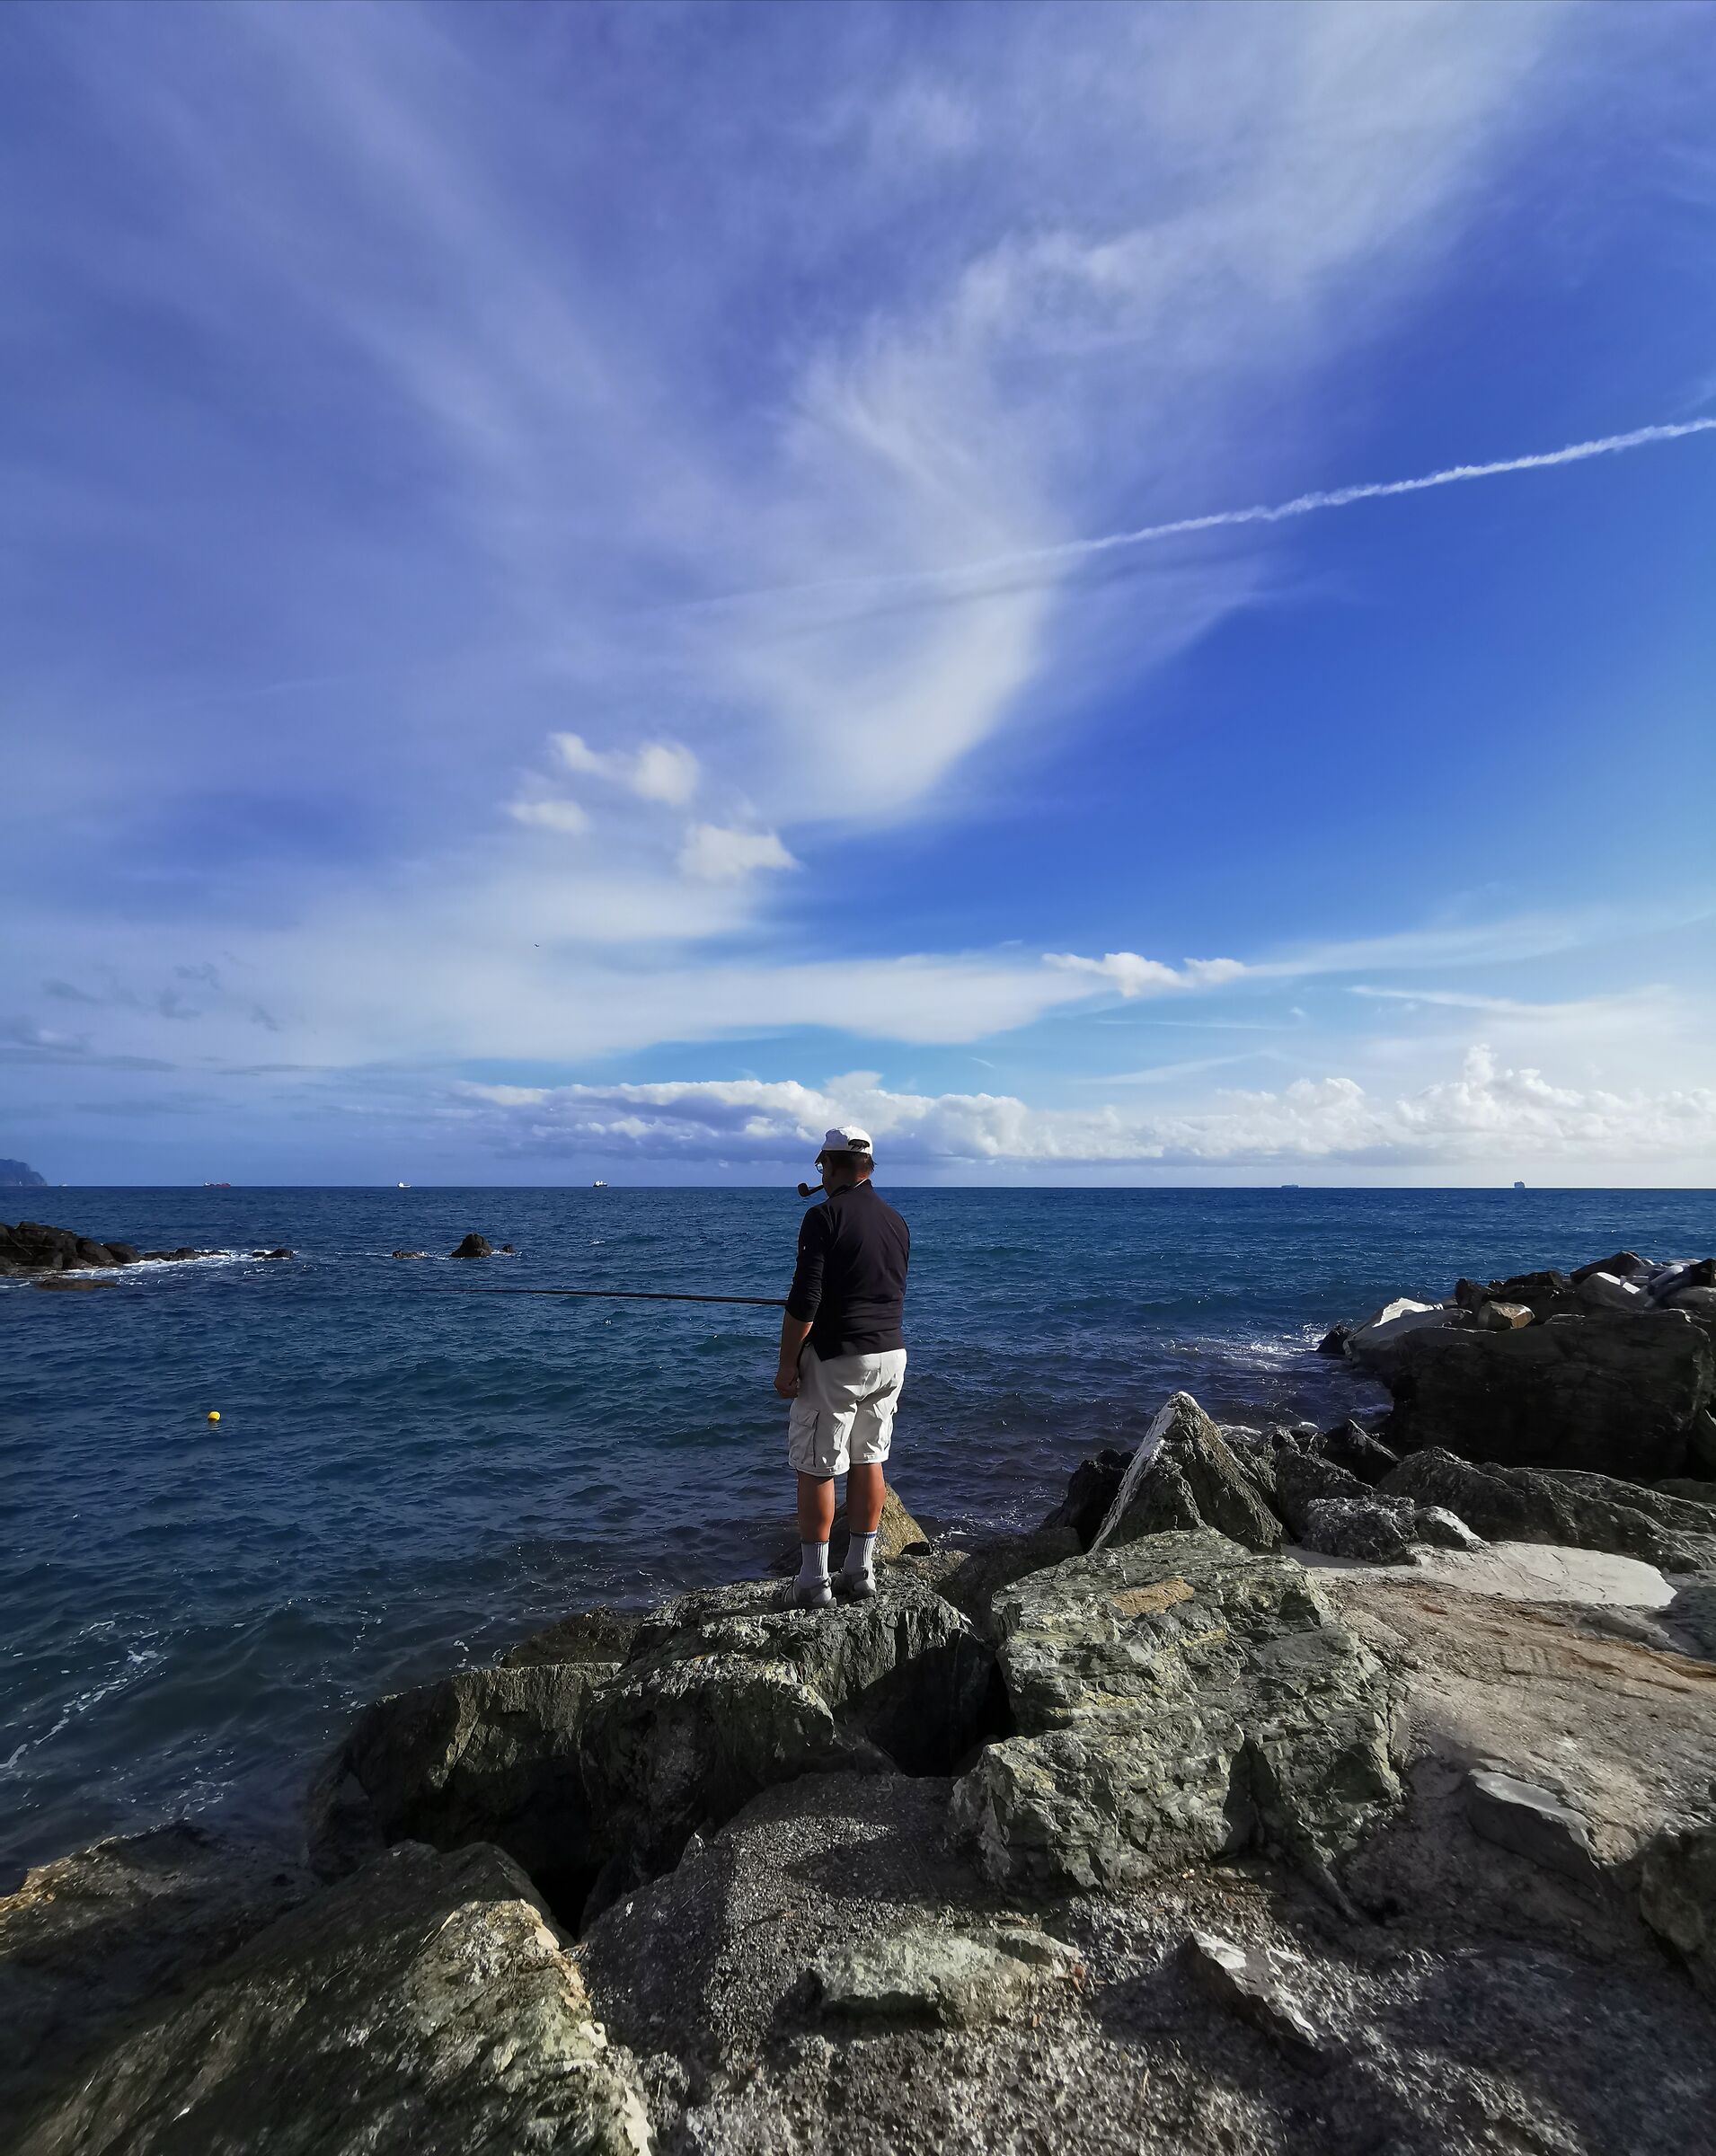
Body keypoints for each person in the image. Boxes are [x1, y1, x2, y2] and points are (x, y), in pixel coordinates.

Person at [774, 1126, 910, 1609]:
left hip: (836, 1360)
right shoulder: (897, 1221)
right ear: (867, 1168)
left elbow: (805, 1301)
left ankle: (813, 1581)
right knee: (869, 1458)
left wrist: (787, 1364)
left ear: (831, 1166)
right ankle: (862, 1570)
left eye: (821, 1166)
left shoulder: (821, 1217)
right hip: (890, 1355)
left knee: (816, 1467)